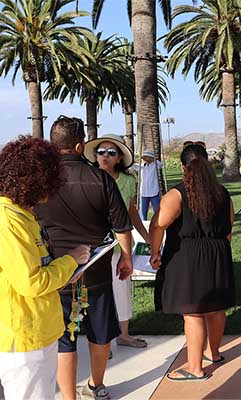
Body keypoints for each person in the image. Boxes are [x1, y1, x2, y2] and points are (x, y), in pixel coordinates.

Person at [34, 116, 134, 400]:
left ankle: (68, 397)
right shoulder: (101, 179)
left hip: (55, 272)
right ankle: (96, 385)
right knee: (100, 331)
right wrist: (125, 258)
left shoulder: (41, 183)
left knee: (64, 338)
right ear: (80, 146)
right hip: (97, 271)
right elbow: (122, 227)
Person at [0, 136, 90, 400]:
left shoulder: (22, 213)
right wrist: (71, 260)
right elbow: (32, 282)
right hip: (25, 339)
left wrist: (68, 272)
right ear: (31, 182)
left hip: (41, 331)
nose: (50, 194)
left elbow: (40, 267)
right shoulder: (8, 221)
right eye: (48, 185)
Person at [149, 143, 235, 381]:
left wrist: (155, 251)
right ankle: (214, 353)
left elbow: (158, 224)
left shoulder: (177, 194)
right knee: (216, 307)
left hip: (188, 254)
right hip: (218, 252)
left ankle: (195, 368)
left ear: (182, 166)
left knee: (193, 313)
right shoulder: (223, 193)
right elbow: (228, 227)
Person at [84, 134, 150, 349]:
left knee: (121, 290)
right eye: (101, 152)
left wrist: (148, 237)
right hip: (94, 247)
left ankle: (123, 334)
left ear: (119, 158)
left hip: (120, 246)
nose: (105, 156)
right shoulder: (88, 178)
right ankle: (102, 342)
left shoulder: (129, 181)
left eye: (111, 152)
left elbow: (132, 212)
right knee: (97, 294)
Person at [134, 149, 163, 220]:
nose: (146, 159)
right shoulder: (142, 166)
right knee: (143, 212)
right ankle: (144, 225)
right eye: (145, 157)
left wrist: (153, 159)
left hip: (154, 191)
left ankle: (158, 223)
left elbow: (161, 164)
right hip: (144, 192)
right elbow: (132, 166)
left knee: (157, 211)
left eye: (148, 157)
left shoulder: (155, 165)